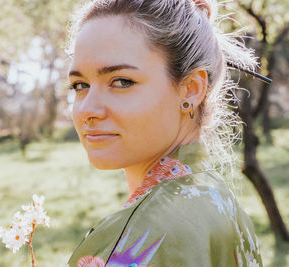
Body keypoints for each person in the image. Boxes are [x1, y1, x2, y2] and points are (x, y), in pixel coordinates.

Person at [65, 0, 264, 266]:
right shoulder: (219, 201)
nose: (88, 109)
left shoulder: (137, 241)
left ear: (191, 89)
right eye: (80, 85)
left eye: (122, 82)